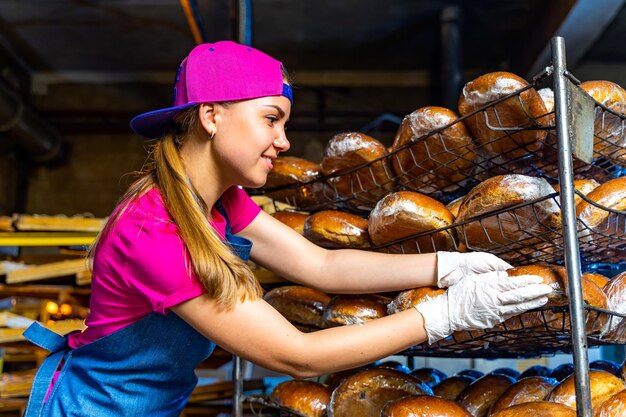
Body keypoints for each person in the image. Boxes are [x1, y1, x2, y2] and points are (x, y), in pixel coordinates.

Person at [22, 40, 551, 417]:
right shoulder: (155, 231)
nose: (283, 141)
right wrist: (445, 316)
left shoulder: (219, 202)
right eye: (271, 118)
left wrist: (445, 263)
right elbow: (294, 356)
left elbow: (321, 264)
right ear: (211, 116)